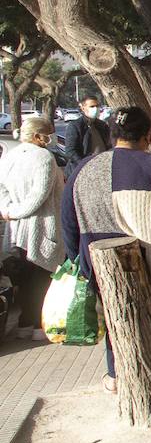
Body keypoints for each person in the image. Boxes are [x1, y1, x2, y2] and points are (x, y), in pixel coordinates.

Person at [62, 106, 151, 393]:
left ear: (112, 134)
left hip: (96, 262)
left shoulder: (83, 168)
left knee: (114, 321)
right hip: (147, 260)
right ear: (147, 136)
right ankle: (149, 379)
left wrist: (77, 260)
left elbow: (68, 221)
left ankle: (116, 375)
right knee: (147, 320)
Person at [0, 117, 65, 341]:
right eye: (49, 133)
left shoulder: (10, 156)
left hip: (16, 228)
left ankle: (24, 324)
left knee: (24, 279)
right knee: (42, 279)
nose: (51, 137)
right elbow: (40, 194)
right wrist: (18, 211)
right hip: (41, 226)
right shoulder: (44, 158)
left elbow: (2, 189)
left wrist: (9, 210)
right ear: (38, 136)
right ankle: (39, 325)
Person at [61, 93, 111, 176]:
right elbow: (70, 151)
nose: (96, 109)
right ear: (83, 108)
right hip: (81, 172)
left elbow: (109, 145)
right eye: (92, 106)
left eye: (97, 106)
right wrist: (84, 165)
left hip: (101, 168)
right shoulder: (75, 126)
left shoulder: (102, 125)